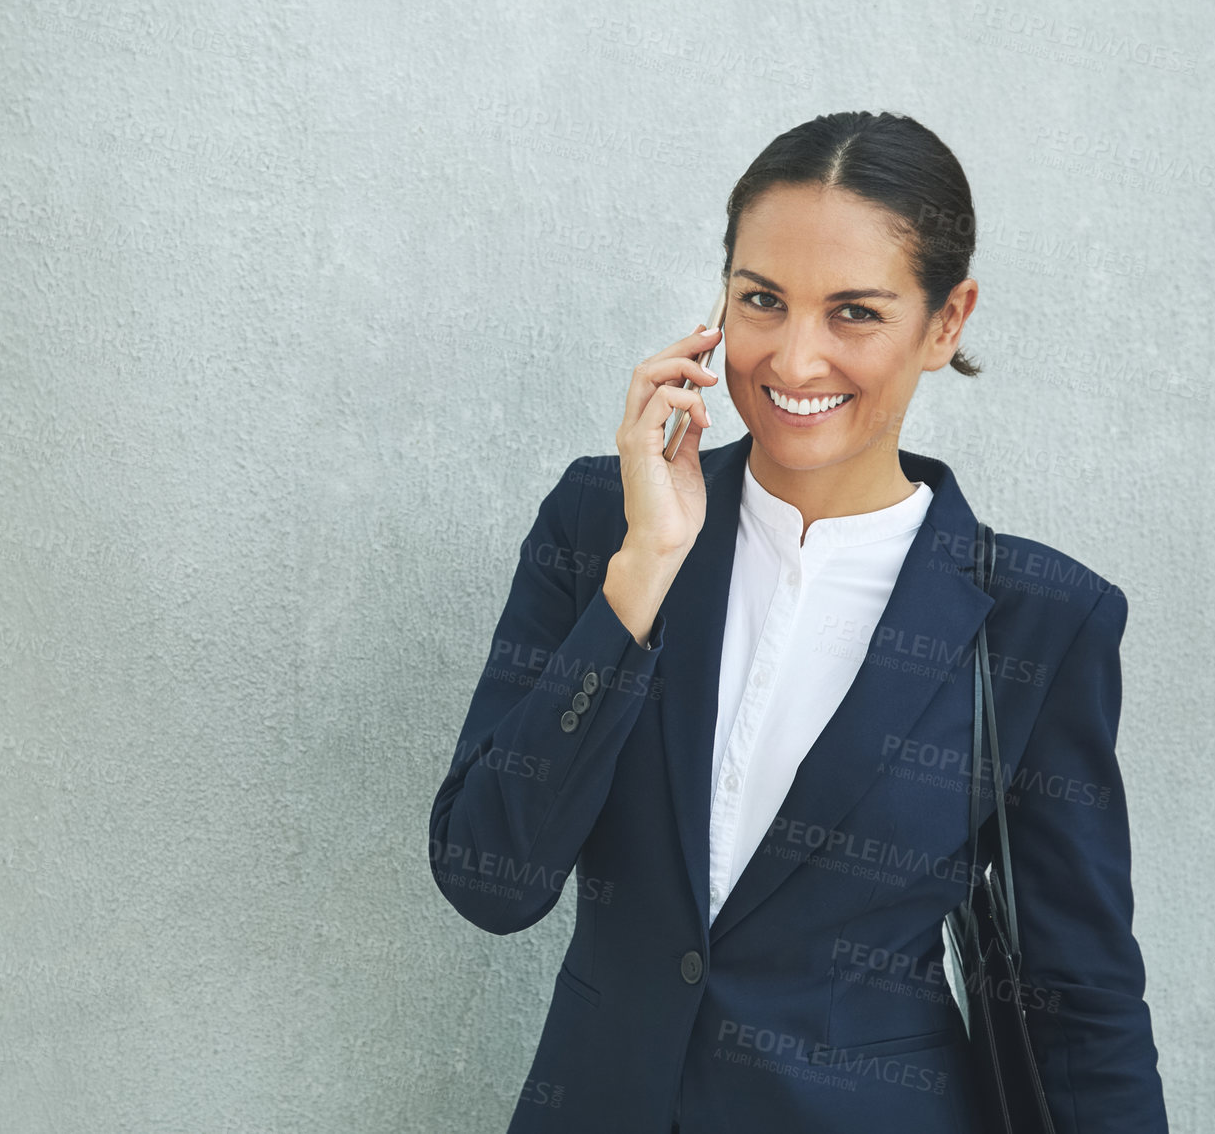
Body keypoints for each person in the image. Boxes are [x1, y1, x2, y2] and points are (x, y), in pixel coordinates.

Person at [427, 111, 1167, 1133]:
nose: (794, 356)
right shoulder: (602, 522)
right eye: (761, 299)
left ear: (945, 322)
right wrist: (641, 573)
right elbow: (488, 875)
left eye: (854, 312)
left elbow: (1078, 997)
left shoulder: (1038, 622)